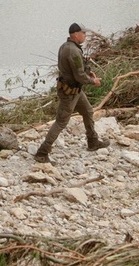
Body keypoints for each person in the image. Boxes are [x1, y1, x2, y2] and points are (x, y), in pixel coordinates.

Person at [34, 23, 110, 163]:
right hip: (69, 93)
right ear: (75, 34)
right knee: (61, 122)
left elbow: (76, 69)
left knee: (88, 111)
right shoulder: (73, 51)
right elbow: (79, 75)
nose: (85, 36)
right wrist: (93, 81)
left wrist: (89, 73)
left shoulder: (66, 46)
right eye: (83, 33)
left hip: (75, 90)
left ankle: (93, 141)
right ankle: (42, 153)